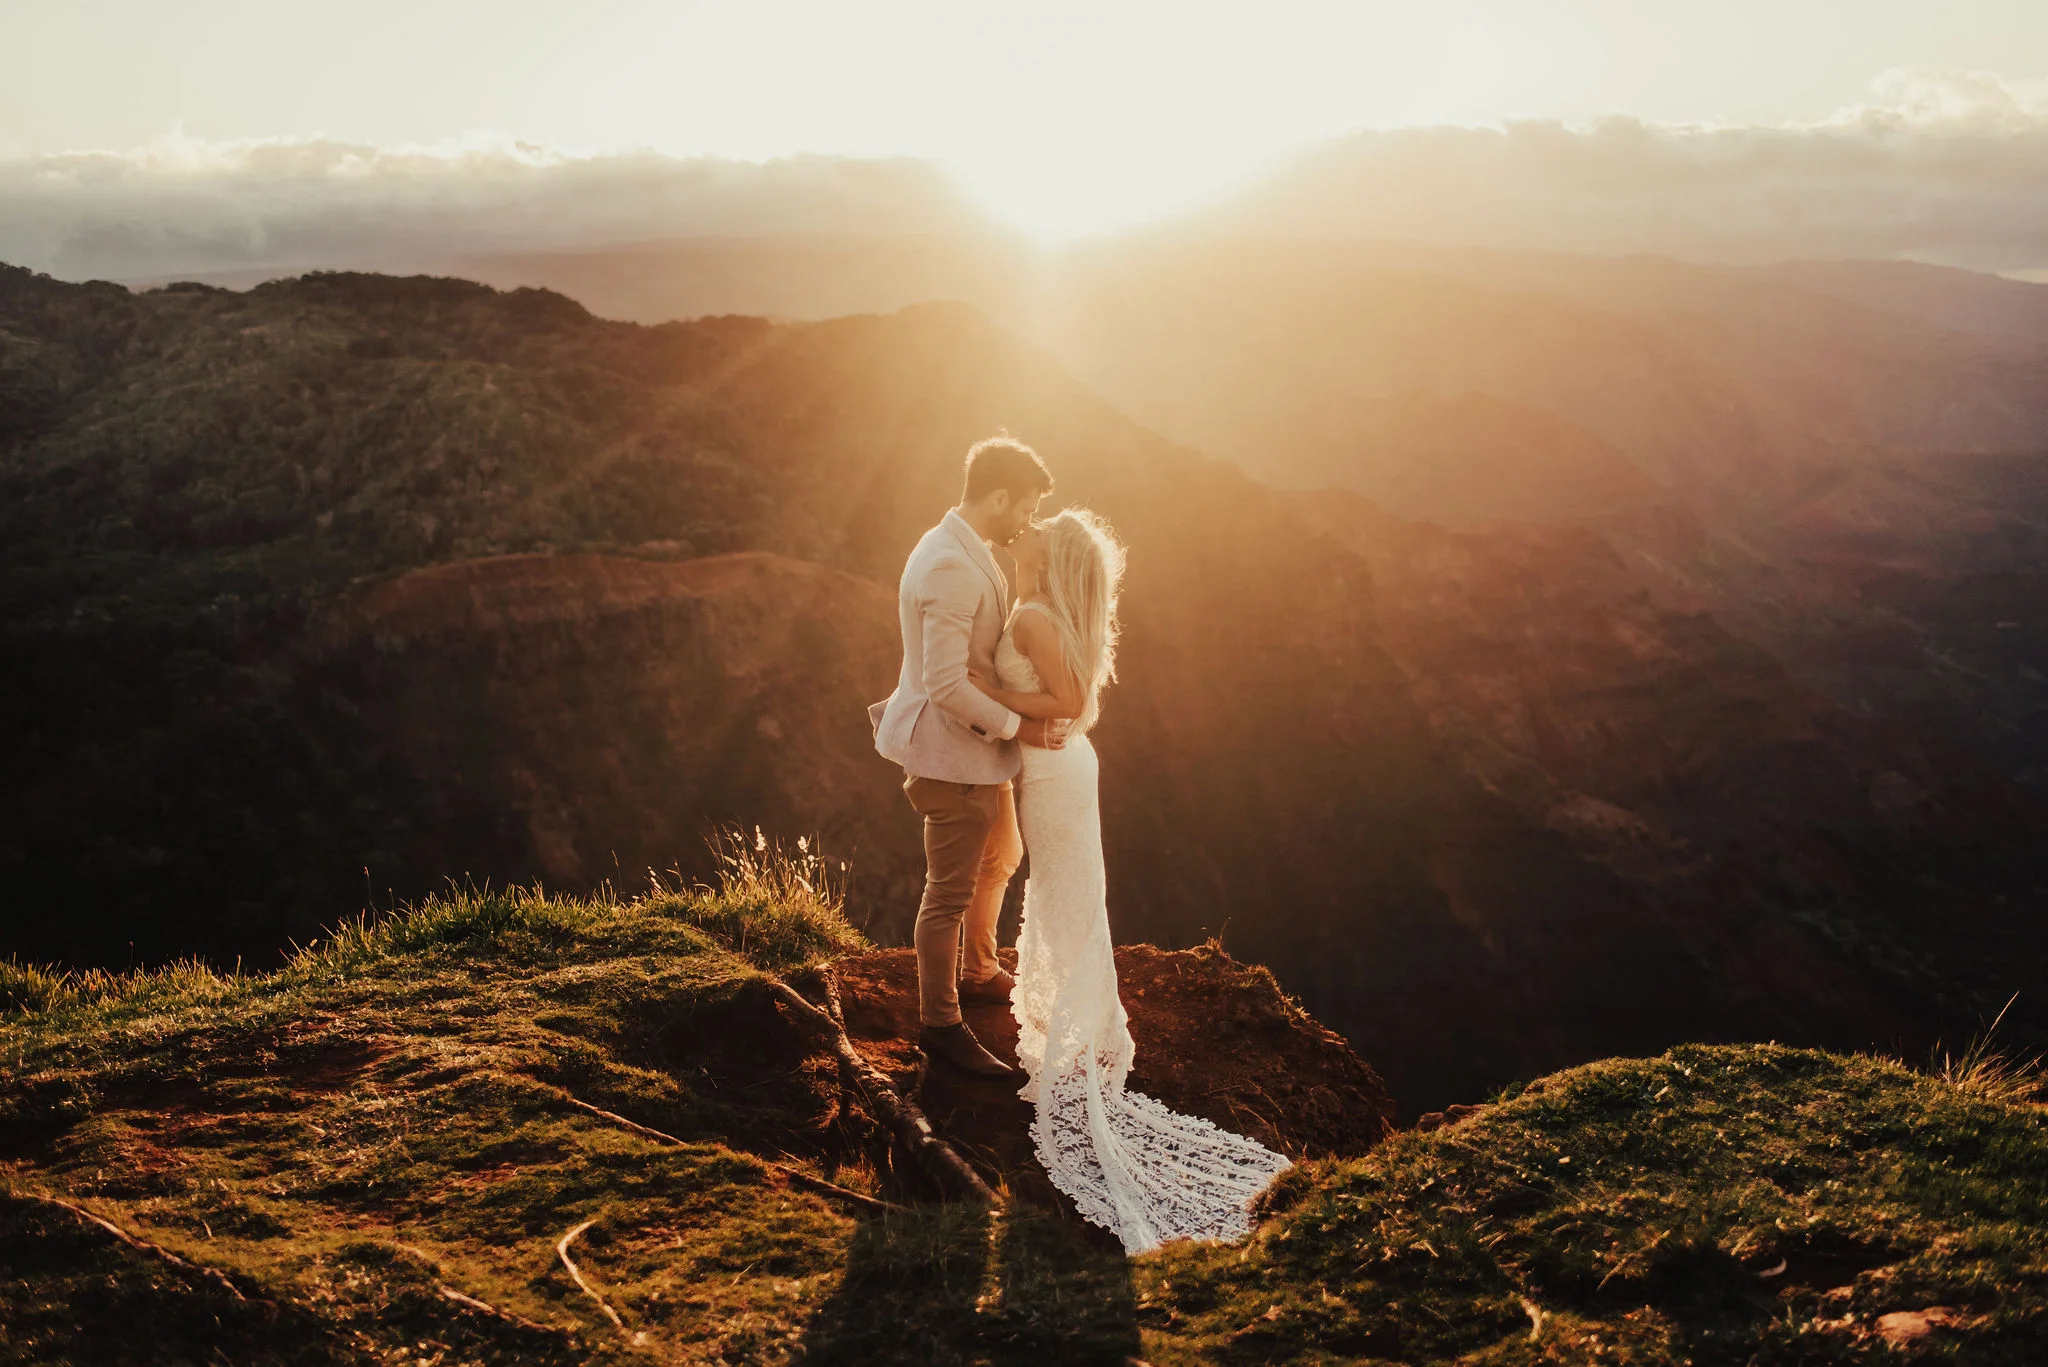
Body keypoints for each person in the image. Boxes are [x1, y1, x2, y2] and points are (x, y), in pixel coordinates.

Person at [966, 506, 1293, 1254]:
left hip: (1052, 769)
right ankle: (1070, 1020)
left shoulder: (1033, 619)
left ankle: (1070, 1026)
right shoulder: (1038, 608)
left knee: (1062, 893)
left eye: (1040, 528)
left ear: (1053, 555)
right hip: (1057, 765)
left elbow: (1066, 704)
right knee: (1064, 892)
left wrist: (989, 697)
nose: (1028, 529)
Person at [869, 436, 1065, 1079]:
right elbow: (947, 684)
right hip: (952, 755)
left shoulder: (963, 546)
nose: (1028, 521)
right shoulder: (950, 564)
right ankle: (941, 1026)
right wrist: (1020, 725)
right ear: (999, 496)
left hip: (980, 752)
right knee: (947, 894)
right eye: (1026, 507)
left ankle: (979, 970)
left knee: (1002, 853)